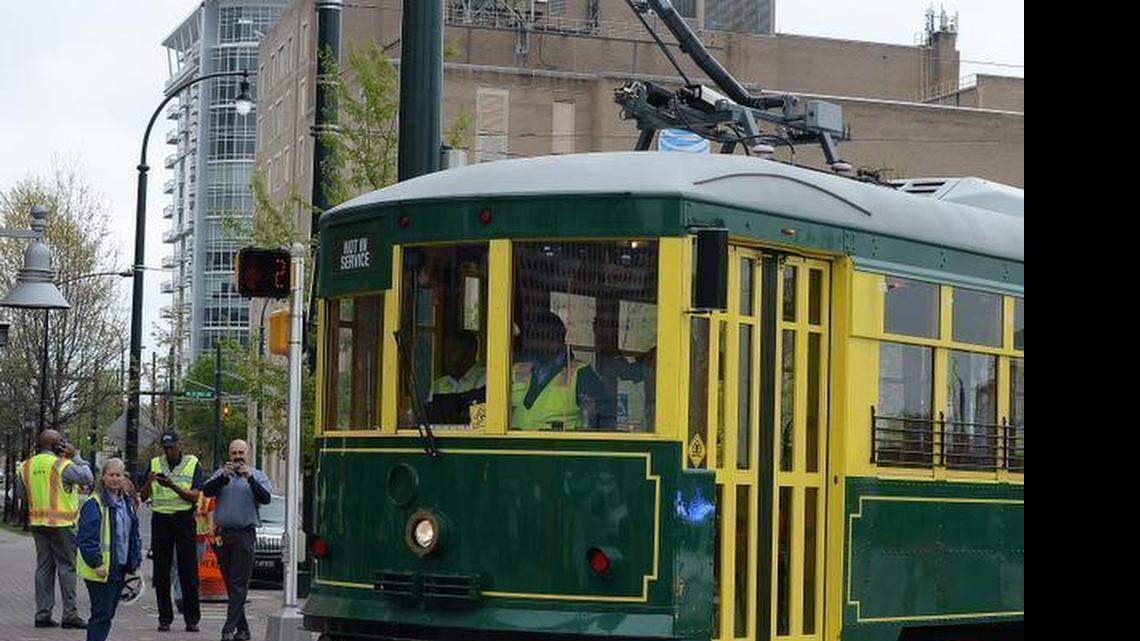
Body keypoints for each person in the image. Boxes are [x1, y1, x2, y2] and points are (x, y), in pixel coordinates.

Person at [14, 428, 93, 629]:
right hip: (62, 525)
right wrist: (76, 456)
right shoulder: (62, 464)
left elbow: (21, 494)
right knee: (66, 568)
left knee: (43, 568)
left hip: (38, 523)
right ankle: (70, 614)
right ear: (58, 446)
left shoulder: (26, 466)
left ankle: (42, 614)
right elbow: (87, 477)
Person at [202, 439, 273, 641]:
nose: (238, 457)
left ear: (247, 454)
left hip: (245, 534)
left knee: (238, 583)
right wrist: (223, 477)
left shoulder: (257, 476)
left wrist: (250, 478)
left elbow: (265, 498)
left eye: (241, 452)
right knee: (231, 584)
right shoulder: (221, 474)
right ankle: (243, 630)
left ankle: (228, 629)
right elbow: (206, 491)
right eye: (234, 453)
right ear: (229, 454)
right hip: (224, 535)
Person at [139, 431, 203, 632]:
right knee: (161, 573)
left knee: (188, 571)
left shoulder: (193, 463)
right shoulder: (155, 463)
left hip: (184, 519)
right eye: (165, 448)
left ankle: (192, 619)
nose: (168, 451)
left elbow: (194, 497)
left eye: (171, 447)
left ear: (178, 445)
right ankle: (164, 618)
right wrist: (150, 481)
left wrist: (172, 485)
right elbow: (142, 496)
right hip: (161, 520)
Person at [76, 458, 142, 641]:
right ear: (103, 477)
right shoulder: (94, 503)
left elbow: (132, 535)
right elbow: (86, 538)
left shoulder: (126, 502)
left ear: (124, 478)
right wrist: (96, 562)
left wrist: (134, 561)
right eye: (111, 475)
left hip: (118, 567)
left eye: (118, 475)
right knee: (101, 615)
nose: (115, 479)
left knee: (107, 615)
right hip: (101, 569)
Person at [510, 309, 606, 430]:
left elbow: (604, 419)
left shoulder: (581, 373)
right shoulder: (516, 369)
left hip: (557, 447)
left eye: (542, 336)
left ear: (558, 339)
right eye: (533, 336)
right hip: (515, 445)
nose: (535, 342)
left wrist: (591, 416)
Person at [425, 330, 487, 424]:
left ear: (470, 352)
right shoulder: (438, 385)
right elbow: (430, 419)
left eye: (452, 352)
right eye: (445, 352)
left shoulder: (486, 379)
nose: (447, 358)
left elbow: (483, 421)